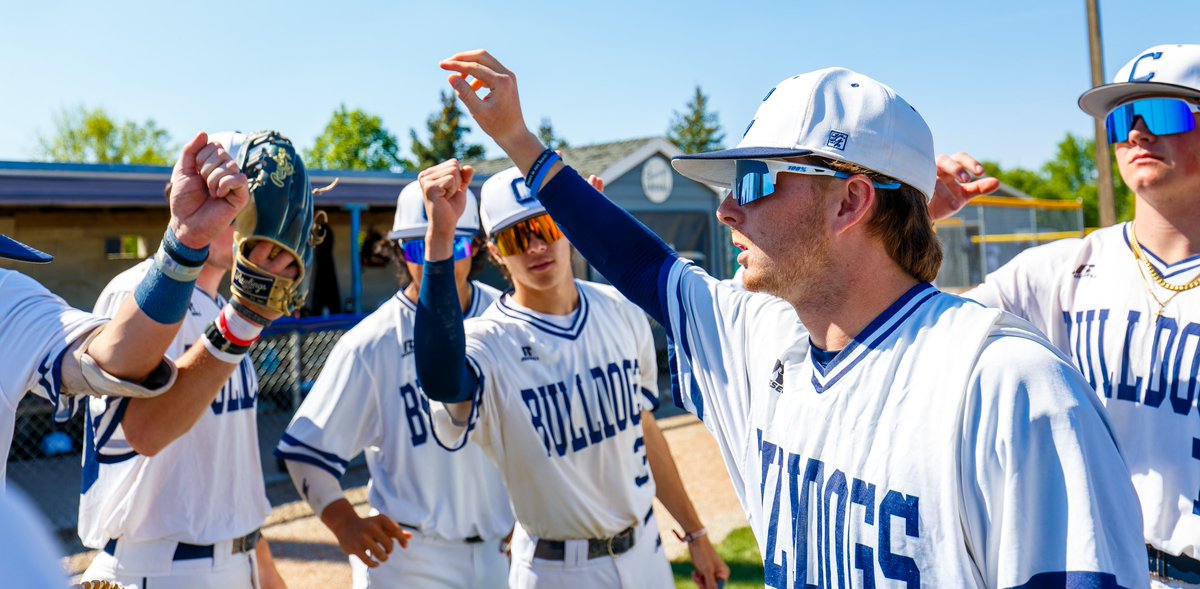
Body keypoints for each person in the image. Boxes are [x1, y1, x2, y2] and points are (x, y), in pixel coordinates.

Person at [436, 49, 1150, 588]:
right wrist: (520, 142)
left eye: (753, 179)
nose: (726, 209)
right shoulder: (764, 335)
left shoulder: (1007, 384)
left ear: (850, 202)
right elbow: (646, 266)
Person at [934, 44, 1200, 589]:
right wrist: (917, 217)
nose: (1137, 132)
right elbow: (918, 335)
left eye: (1165, 112)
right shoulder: (1058, 270)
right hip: (1092, 569)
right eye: (1123, 118)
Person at [413, 161, 729, 588]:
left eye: (546, 227)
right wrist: (439, 241)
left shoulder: (621, 310)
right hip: (557, 569)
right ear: (495, 252)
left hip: (646, 556)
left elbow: (644, 430)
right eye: (516, 236)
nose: (536, 246)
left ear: (567, 227)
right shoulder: (486, 342)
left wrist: (695, 533)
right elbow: (442, 381)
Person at [77, 131, 301, 589]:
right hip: (157, 567)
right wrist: (242, 321)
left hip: (234, 560)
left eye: (252, 203)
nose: (242, 216)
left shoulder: (224, 309)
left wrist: (266, 573)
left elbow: (227, 477)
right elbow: (143, 432)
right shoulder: (140, 294)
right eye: (230, 196)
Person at [276, 179, 515, 589]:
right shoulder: (372, 341)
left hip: (505, 551)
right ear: (400, 251)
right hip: (412, 557)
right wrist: (343, 522)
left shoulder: (507, 319)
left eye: (452, 245)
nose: (434, 257)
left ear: (475, 247)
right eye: (418, 247)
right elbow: (305, 449)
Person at [0, 131, 255, 486]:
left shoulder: (7, 295)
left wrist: (187, 242)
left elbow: (109, 361)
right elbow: (143, 433)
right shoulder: (131, 287)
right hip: (152, 539)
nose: (246, 228)